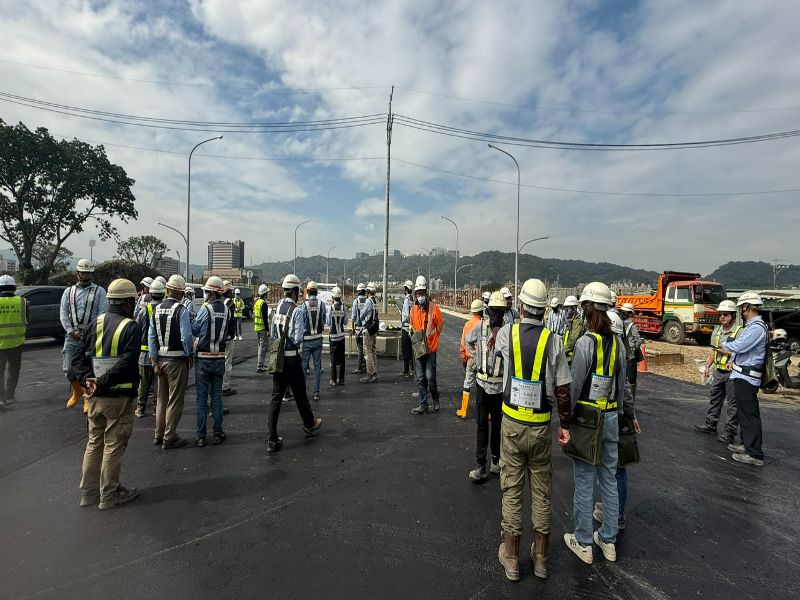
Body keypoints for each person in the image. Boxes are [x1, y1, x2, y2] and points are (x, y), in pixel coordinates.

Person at [494, 279, 572, 581]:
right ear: (545, 309)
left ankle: (511, 558)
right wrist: (564, 426)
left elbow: (499, 350)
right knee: (541, 493)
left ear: (523, 306)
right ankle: (540, 559)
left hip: (512, 425)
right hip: (540, 427)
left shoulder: (509, 334)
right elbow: (563, 388)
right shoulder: (553, 340)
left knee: (512, 490)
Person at [563, 281, 632, 566]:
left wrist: (564, 420)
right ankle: (609, 539)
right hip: (613, 416)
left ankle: (583, 542)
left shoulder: (584, 344)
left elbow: (576, 385)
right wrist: (631, 417)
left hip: (587, 419)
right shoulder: (618, 344)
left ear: (586, 309)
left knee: (583, 481)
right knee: (610, 480)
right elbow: (622, 385)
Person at [71, 278, 140, 510]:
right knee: (113, 444)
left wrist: (87, 381)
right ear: (129, 302)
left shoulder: (93, 324)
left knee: (94, 443)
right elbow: (128, 363)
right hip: (118, 398)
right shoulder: (130, 327)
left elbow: (77, 359)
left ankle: (88, 493)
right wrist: (102, 382)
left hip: (95, 397)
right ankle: (109, 494)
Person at [592, 310, 640, 532]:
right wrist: (631, 415)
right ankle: (614, 510)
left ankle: (616, 515)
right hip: (617, 416)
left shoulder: (611, 351)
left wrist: (630, 414)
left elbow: (625, 392)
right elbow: (626, 392)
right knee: (613, 467)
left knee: (614, 469)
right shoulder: (619, 350)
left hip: (608, 417)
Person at [266, 274, 322, 453]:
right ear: (296, 291)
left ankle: (272, 438)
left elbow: (274, 333)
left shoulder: (278, 307)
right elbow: (298, 338)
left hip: (279, 358)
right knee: (300, 394)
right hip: (292, 358)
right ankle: (309, 423)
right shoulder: (296, 310)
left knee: (276, 397)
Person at [716, 292, 768, 467]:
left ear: (747, 307)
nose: (740, 311)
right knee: (745, 414)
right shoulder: (753, 326)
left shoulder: (756, 328)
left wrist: (725, 346)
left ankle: (754, 453)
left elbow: (741, 345)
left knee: (749, 415)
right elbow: (741, 349)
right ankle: (746, 445)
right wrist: (732, 359)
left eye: (741, 307)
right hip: (742, 375)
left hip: (747, 377)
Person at [148, 274, 193, 449]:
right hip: (177, 360)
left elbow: (151, 337)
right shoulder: (181, 310)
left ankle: (158, 434)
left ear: (167, 290)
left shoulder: (157, 309)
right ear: (182, 293)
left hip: (160, 359)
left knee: (161, 399)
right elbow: (186, 336)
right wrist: (189, 354)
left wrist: (154, 361)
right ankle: (170, 435)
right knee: (175, 400)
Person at [465, 292, 506, 480]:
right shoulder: (480, 327)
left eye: (499, 311)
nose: (496, 314)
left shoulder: (507, 330)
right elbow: (468, 340)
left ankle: (496, 461)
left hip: (499, 387)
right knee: (482, 426)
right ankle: (481, 465)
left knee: (497, 426)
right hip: (482, 384)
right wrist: (476, 358)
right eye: (494, 310)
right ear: (488, 310)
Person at [192, 276, 235, 447]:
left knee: (202, 399)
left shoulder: (205, 310)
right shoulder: (227, 311)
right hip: (219, 359)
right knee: (216, 397)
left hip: (203, 358)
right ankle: (218, 432)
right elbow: (230, 333)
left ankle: (201, 436)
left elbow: (195, 329)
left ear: (211, 293)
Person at [60, 259, 108, 410]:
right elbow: (63, 313)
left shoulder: (99, 291)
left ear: (92, 274)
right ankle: (77, 392)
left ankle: (88, 397)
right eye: (82, 272)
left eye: (88, 273)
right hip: (72, 336)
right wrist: (70, 330)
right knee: (68, 368)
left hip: (91, 336)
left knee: (88, 368)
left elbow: (102, 313)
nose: (85, 275)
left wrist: (92, 332)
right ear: (78, 273)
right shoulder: (69, 291)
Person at [694, 300, 742, 443]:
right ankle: (711, 424)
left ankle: (729, 432)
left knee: (733, 404)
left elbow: (742, 352)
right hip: (718, 372)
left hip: (732, 374)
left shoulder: (740, 332)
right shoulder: (717, 331)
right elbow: (713, 352)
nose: (722, 317)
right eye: (720, 314)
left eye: (725, 314)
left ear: (733, 316)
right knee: (715, 399)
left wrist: (728, 355)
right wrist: (708, 367)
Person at [409, 276, 443, 415]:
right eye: (418, 294)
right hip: (419, 350)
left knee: (430, 377)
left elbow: (439, 326)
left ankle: (435, 397)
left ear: (426, 293)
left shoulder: (434, 309)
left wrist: (432, 338)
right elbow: (411, 325)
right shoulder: (413, 310)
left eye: (422, 293)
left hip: (430, 350)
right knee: (420, 377)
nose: (420, 296)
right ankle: (423, 405)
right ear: (415, 295)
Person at [134, 277, 165, 418]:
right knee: (158, 384)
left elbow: (137, 329)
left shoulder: (144, 310)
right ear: (163, 294)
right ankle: (155, 409)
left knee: (144, 383)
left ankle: (140, 408)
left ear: (151, 294)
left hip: (145, 354)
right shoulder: (166, 310)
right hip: (162, 354)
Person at [0, 275, 30, 408]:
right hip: (16, 343)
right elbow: (28, 320)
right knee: (13, 370)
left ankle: (1, 399)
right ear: (14, 288)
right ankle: (9, 396)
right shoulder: (23, 302)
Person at [457, 299, 484, 419]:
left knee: (467, 384)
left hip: (470, 359)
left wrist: (463, 357)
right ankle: (483, 412)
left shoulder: (468, 325)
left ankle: (463, 410)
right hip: (481, 360)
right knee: (482, 385)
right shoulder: (484, 324)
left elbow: (463, 343)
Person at [301, 281, 327, 400]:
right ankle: (316, 392)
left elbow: (302, 323)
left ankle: (302, 393)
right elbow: (323, 321)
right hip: (318, 339)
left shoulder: (304, 306)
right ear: (316, 292)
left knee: (304, 367)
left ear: (308, 292)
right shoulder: (321, 304)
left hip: (306, 340)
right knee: (317, 367)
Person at [618, 303, 643, 400]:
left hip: (630, 355)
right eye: (623, 312)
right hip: (623, 353)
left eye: (626, 312)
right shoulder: (620, 323)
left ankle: (631, 400)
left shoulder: (631, 325)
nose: (623, 314)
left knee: (631, 378)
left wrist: (632, 349)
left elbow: (638, 340)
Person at [327, 286, 348, 386]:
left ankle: (333, 379)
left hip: (333, 336)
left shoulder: (330, 308)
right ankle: (342, 379)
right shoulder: (343, 307)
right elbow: (345, 322)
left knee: (333, 358)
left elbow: (328, 323)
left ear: (333, 297)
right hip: (341, 336)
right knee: (342, 358)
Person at [360, 283, 379, 383]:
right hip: (374, 329)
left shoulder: (368, 301)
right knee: (373, 350)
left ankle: (370, 374)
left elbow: (362, 314)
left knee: (368, 352)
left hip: (368, 329)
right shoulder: (375, 301)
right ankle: (375, 372)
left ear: (368, 291)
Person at [221, 281, 237, 396]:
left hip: (218, 337)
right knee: (227, 362)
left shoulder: (217, 302)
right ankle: (225, 387)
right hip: (227, 337)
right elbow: (231, 321)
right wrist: (232, 334)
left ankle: (219, 385)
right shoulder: (230, 303)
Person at [351, 283, 368, 375]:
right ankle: (364, 365)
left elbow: (353, 316)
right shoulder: (368, 301)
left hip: (358, 329)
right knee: (365, 348)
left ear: (358, 292)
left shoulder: (356, 301)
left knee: (360, 348)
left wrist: (353, 328)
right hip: (365, 328)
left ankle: (359, 367)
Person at [562, 295, 585, 364]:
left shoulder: (577, 322)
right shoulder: (570, 321)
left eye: (567, 309)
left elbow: (573, 340)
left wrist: (562, 351)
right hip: (566, 357)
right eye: (565, 309)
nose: (565, 311)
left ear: (574, 308)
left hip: (572, 359)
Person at [254, 284, 271, 372]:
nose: (268, 294)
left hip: (257, 327)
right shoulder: (263, 304)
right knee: (263, 347)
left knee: (260, 346)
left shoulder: (257, 302)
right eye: (267, 293)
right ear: (264, 293)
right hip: (263, 328)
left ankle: (261, 363)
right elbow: (265, 318)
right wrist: (268, 330)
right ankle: (260, 365)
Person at [401, 280, 415, 378]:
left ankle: (406, 370)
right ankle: (412, 368)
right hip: (411, 327)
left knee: (405, 349)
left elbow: (406, 314)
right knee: (410, 349)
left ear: (406, 289)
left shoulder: (406, 299)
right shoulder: (412, 299)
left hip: (406, 328)